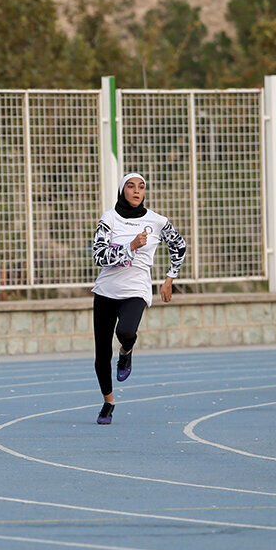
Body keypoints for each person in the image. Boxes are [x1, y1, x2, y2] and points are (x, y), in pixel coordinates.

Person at [91, 172, 187, 424]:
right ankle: (108, 402)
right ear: (122, 190)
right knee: (101, 354)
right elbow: (99, 256)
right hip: (105, 292)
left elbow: (179, 246)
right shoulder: (109, 219)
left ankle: (126, 351)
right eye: (131, 186)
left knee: (126, 332)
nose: (136, 191)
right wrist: (130, 247)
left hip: (135, 290)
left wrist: (170, 278)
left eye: (141, 187)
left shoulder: (157, 221)